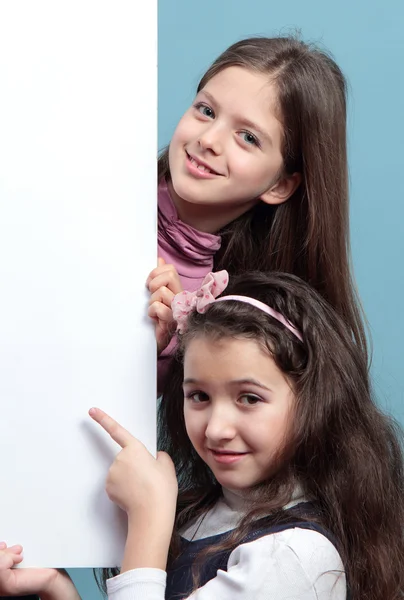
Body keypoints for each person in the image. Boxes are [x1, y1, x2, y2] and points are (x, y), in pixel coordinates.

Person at [2, 271, 403, 599]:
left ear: (313, 402)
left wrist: (147, 521)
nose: (215, 428)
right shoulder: (200, 516)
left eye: (248, 398)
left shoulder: (295, 556)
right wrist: (57, 588)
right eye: (198, 396)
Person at [150, 35, 368, 395]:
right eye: (206, 111)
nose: (209, 140)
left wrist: (158, 347)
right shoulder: (104, 189)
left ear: (280, 185)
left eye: (248, 137)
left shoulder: (224, 306)